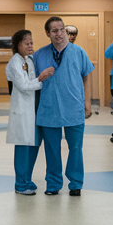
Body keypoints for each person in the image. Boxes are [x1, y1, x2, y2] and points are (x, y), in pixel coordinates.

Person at [33, 17, 94, 196]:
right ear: (48, 34)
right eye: (54, 31)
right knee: (52, 148)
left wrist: (87, 101)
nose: (59, 34)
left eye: (61, 30)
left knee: (76, 147)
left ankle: (75, 183)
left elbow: (86, 76)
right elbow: (32, 82)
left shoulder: (78, 52)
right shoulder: (40, 55)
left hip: (73, 106)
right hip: (49, 107)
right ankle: (53, 183)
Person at [5, 29, 53, 195]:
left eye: (31, 42)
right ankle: (20, 183)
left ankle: (27, 179)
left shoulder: (30, 60)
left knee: (33, 145)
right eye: (26, 43)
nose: (30, 46)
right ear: (18, 45)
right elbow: (25, 86)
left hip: (34, 110)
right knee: (23, 147)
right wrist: (41, 78)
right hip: (23, 110)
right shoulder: (14, 63)